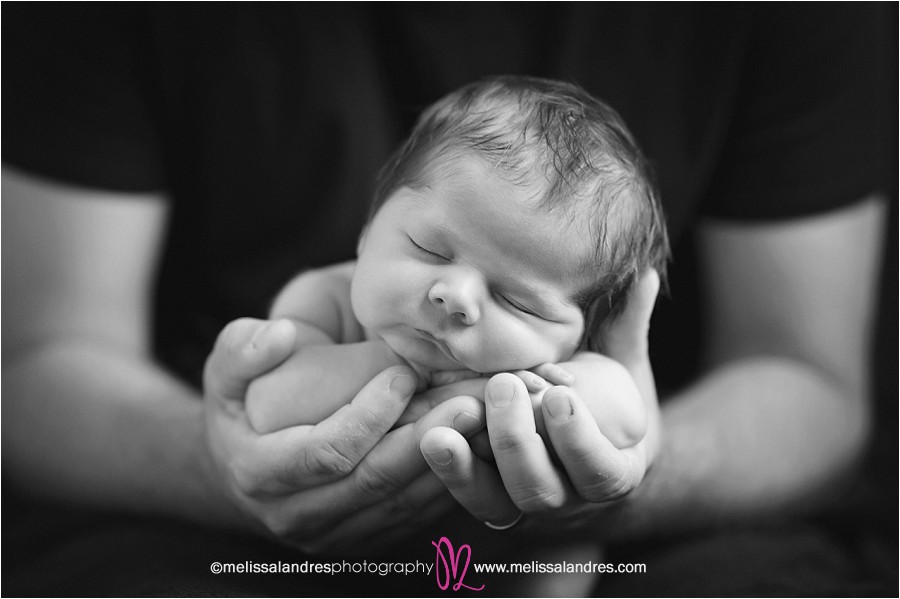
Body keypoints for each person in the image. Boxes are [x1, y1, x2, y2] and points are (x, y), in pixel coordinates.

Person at [2, 5, 892, 597]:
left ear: (587, 325)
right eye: (428, 247)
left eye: (519, 297)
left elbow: (639, 415)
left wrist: (622, 437)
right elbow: (272, 406)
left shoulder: (564, 369)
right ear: (367, 230)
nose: (454, 297)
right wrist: (396, 390)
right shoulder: (325, 300)